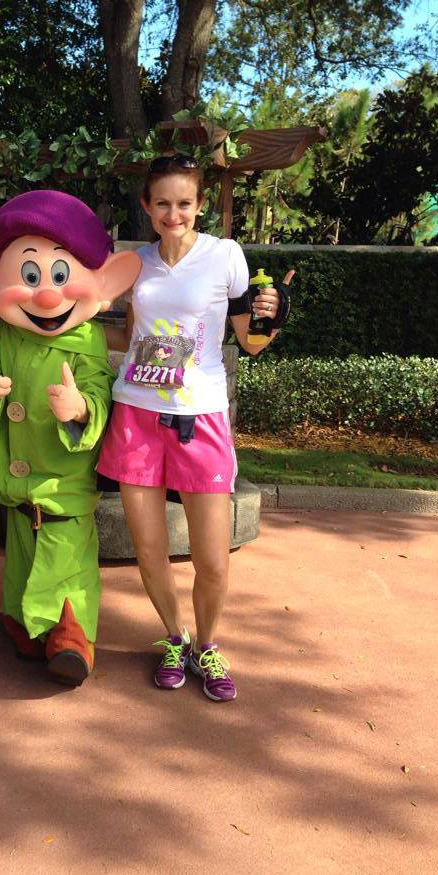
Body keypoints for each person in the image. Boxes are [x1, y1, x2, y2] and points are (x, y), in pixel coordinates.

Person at [97, 153, 292, 701]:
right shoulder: (135, 263)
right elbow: (130, 338)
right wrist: (61, 327)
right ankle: (173, 637)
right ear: (146, 206)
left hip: (200, 416)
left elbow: (251, 341)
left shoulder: (225, 255)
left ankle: (207, 645)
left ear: (200, 204)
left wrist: (275, 314)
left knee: (211, 560)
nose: (173, 214)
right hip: (137, 413)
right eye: (162, 203)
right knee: (149, 548)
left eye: (184, 203)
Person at [0, 190, 141, 685]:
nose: (48, 296)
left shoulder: (87, 338)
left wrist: (81, 409)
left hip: (64, 487)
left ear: (103, 283)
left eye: (60, 276)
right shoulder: (5, 335)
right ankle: (22, 625)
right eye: (31, 277)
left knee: (68, 566)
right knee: (21, 562)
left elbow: (99, 395)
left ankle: (72, 638)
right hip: (17, 489)